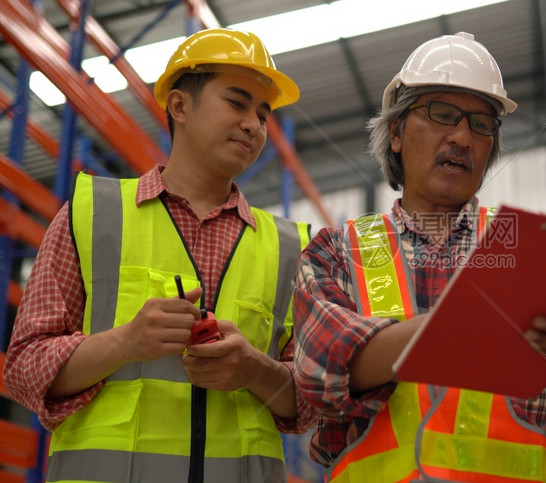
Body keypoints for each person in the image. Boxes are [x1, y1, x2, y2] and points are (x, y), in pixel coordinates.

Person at [292, 31, 546, 482]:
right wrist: (464, 318)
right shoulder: (337, 253)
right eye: (442, 115)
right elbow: (320, 370)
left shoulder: (536, 248)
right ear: (395, 132)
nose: (462, 137)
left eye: (481, 123)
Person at [3, 28, 316, 482]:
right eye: (237, 102)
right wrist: (124, 343)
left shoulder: (291, 247)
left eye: (263, 114)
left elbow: (310, 400)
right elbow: (25, 369)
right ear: (179, 105)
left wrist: (255, 369)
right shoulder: (94, 215)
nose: (254, 123)